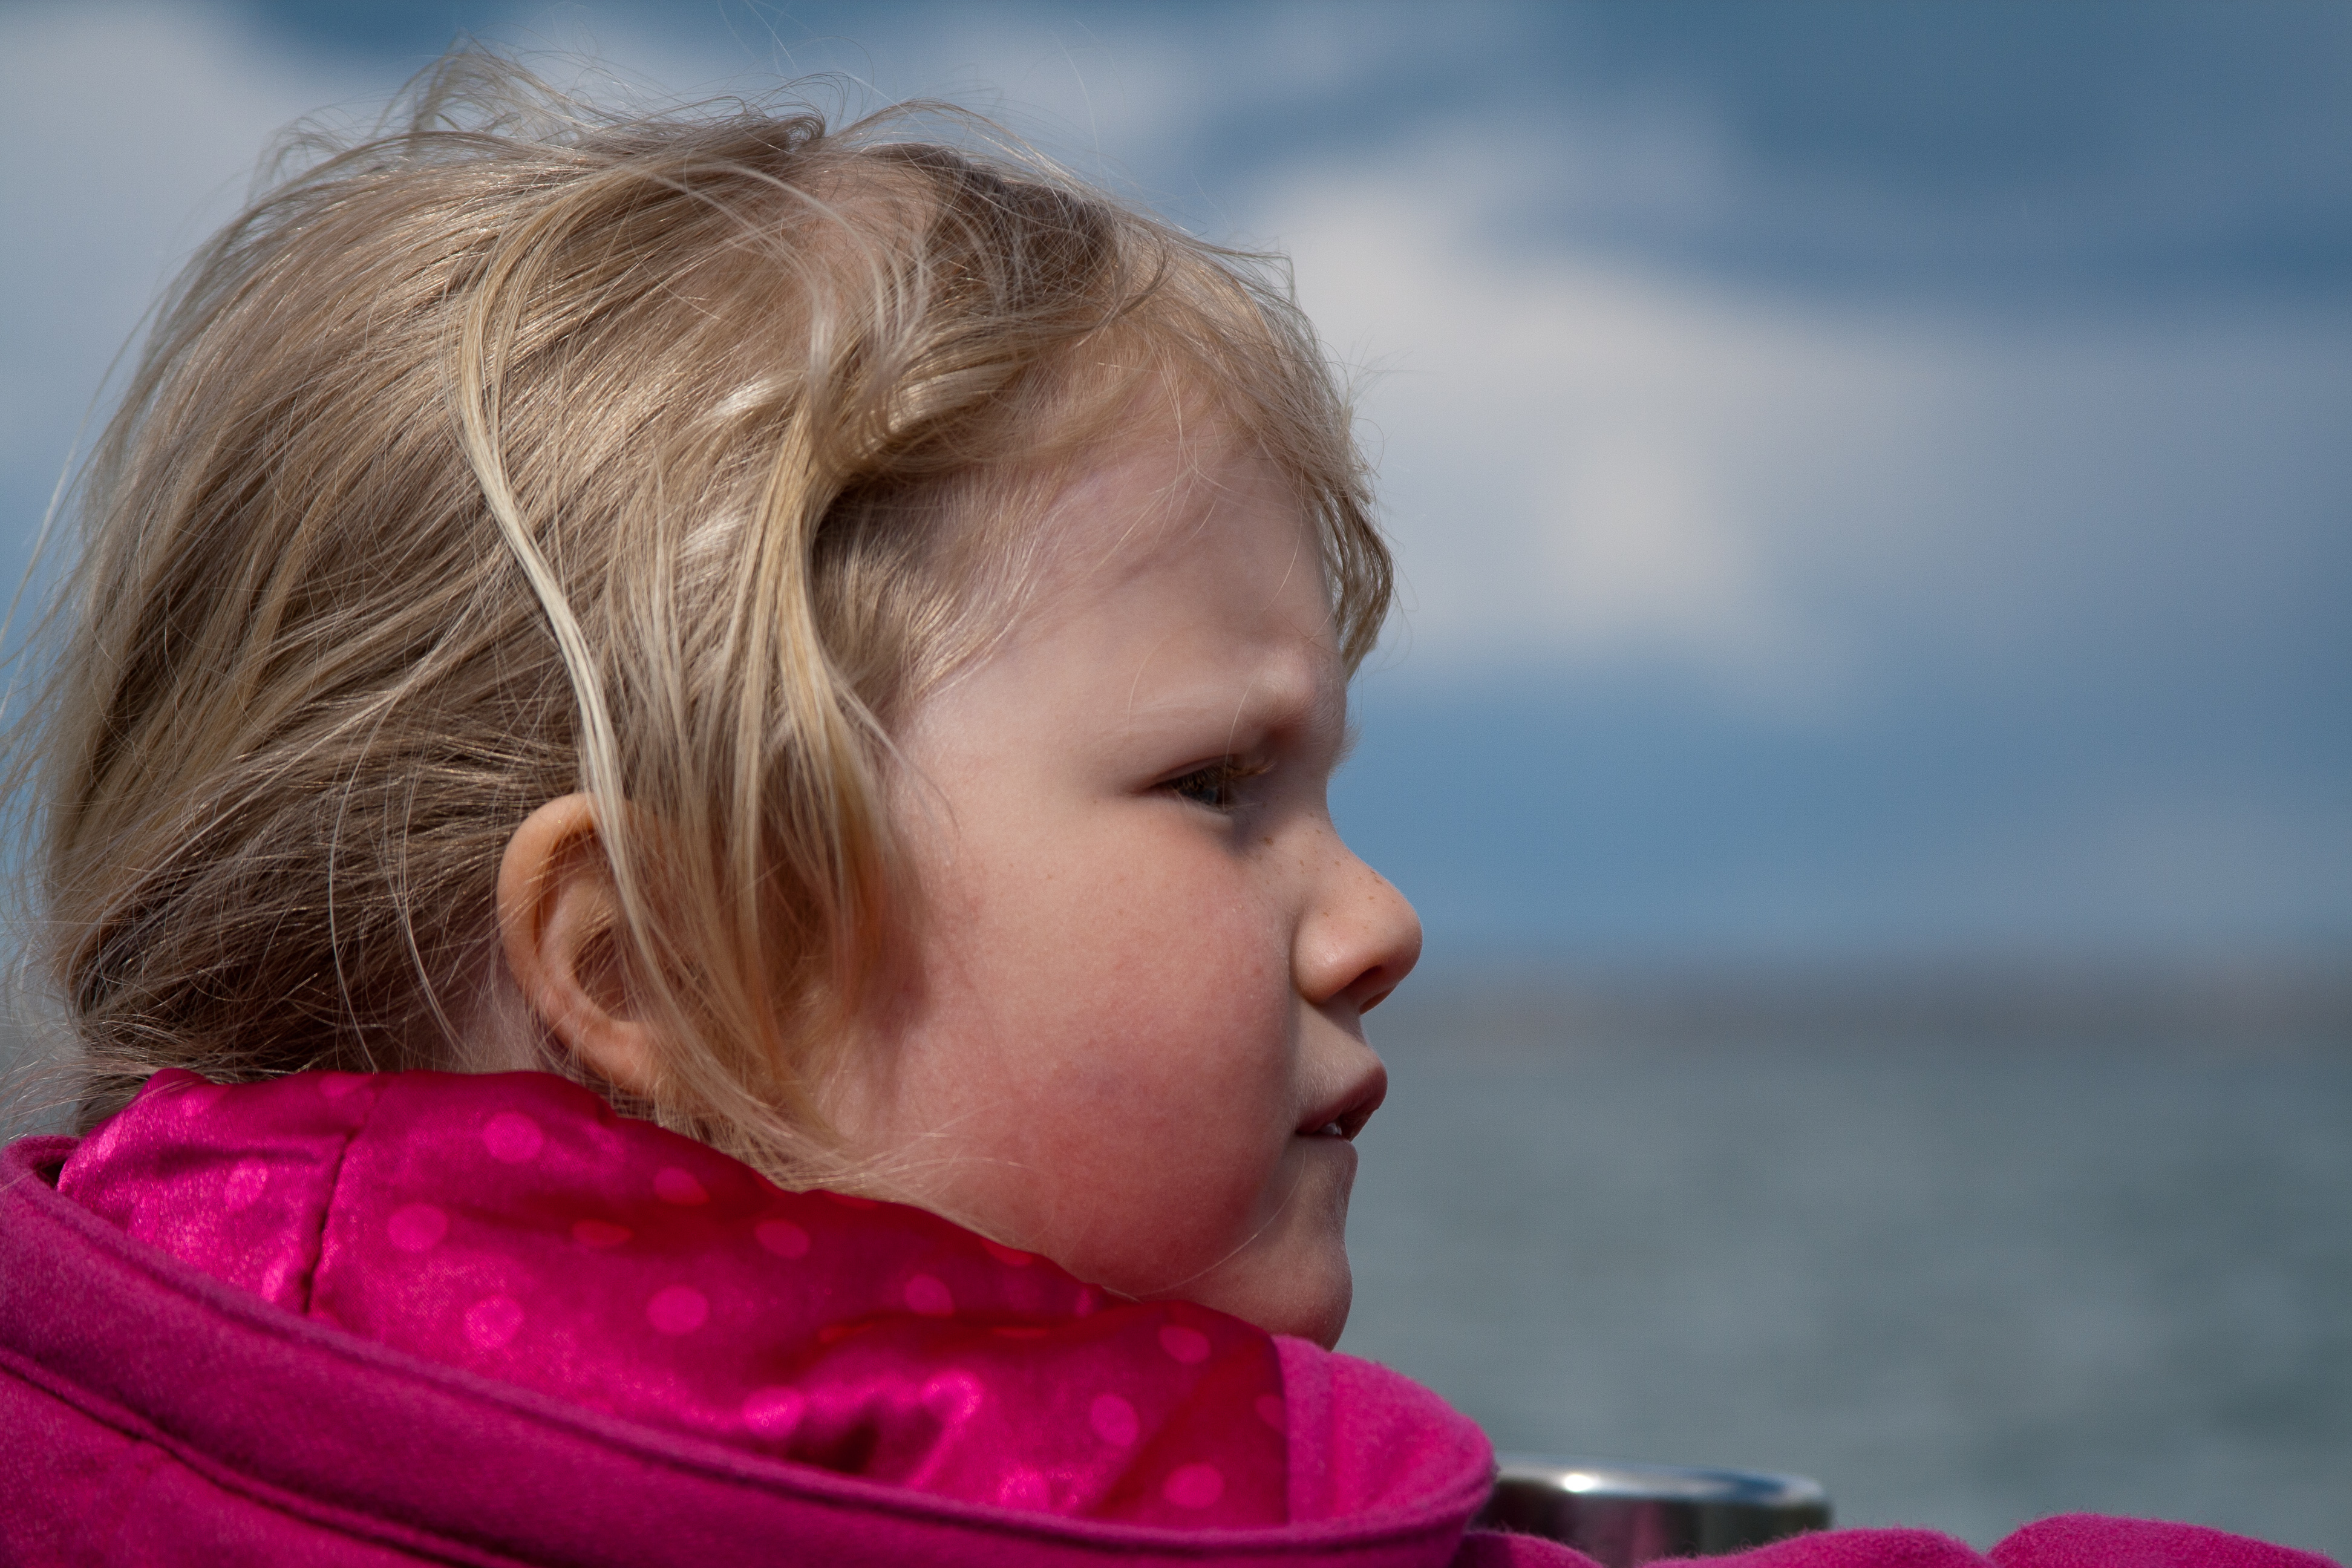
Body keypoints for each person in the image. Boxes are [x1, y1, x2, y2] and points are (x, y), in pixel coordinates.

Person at [0, 54, 2331, 1568]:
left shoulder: (106, 1420)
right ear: (658, 961)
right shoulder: (1084, 1519)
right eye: (1219, 788)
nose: (1377, 918)